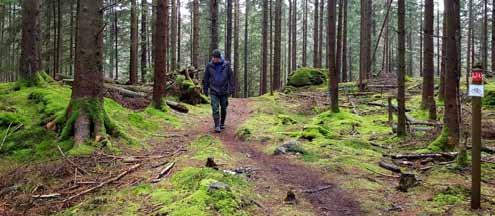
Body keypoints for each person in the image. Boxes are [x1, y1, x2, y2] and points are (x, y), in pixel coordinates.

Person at [203, 50, 235, 133]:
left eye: (214, 58)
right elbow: (206, 78)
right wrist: (205, 89)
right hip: (213, 90)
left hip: (224, 90)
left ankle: (222, 123)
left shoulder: (226, 65)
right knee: (215, 108)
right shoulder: (209, 66)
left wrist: (232, 88)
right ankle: (217, 125)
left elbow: (231, 77)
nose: (212, 59)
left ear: (218, 58)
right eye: (212, 57)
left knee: (224, 108)